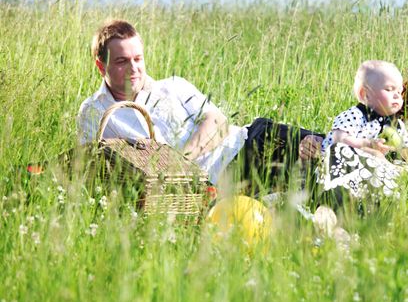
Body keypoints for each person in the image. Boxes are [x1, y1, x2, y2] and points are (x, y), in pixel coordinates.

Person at [78, 19, 321, 190]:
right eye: (122, 61)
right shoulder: (96, 112)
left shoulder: (172, 85)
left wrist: (181, 162)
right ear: (101, 67)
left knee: (328, 148)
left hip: (247, 142)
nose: (134, 68)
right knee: (306, 183)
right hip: (217, 182)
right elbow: (93, 166)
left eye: (138, 59)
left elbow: (218, 122)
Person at [300, 52, 408, 212]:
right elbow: (347, 138)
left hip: (389, 198)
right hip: (349, 181)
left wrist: (383, 164)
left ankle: (326, 215)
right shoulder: (385, 108)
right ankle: (323, 214)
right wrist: (317, 142)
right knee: (293, 136)